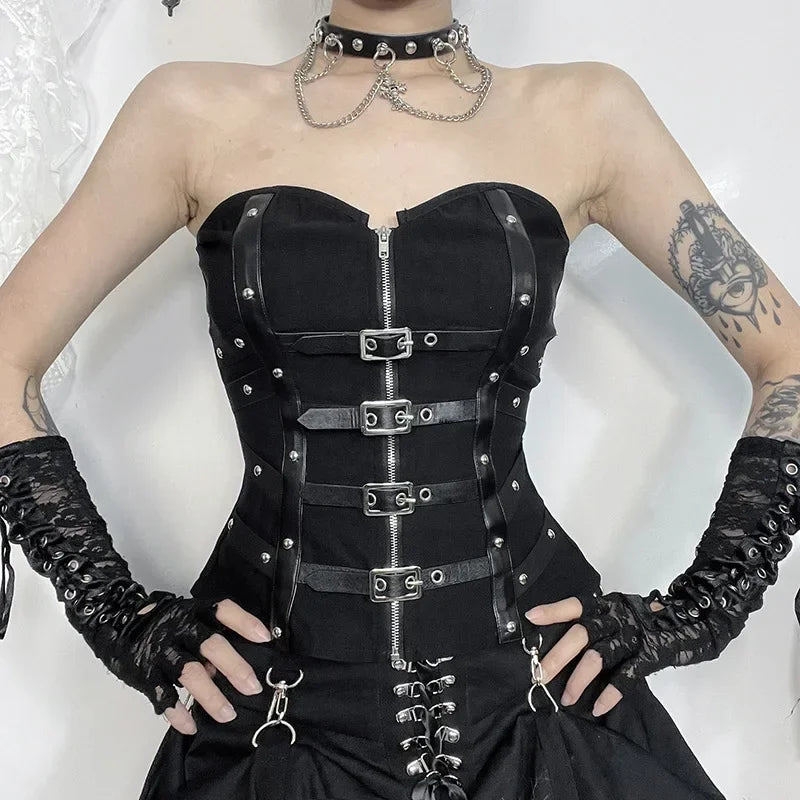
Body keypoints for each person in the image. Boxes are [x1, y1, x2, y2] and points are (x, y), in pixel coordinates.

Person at [1, 2, 799, 798]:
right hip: (272, 712)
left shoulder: (588, 113)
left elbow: (788, 357)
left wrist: (701, 611)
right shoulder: (186, 113)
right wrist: (119, 619)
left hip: (540, 702)